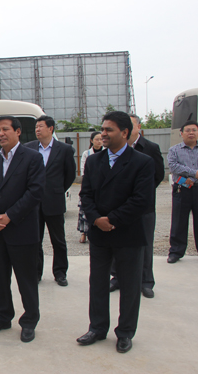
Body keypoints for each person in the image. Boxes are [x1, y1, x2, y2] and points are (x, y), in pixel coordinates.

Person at [77, 111, 154, 353]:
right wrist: (96, 219)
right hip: (100, 234)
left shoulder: (142, 162)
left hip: (128, 233)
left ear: (124, 132)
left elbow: (141, 200)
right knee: (98, 283)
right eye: (102, 129)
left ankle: (125, 333)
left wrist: (111, 220)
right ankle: (97, 328)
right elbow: (86, 195)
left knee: (130, 286)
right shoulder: (94, 161)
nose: (103, 133)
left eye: (109, 129)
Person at [0, 116, 45, 343]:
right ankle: (2, 316)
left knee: (26, 280)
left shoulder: (33, 158)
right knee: (0, 278)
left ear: (18, 131)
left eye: (5, 129)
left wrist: (10, 216)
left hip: (22, 230)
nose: (0, 134)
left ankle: (29, 321)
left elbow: (35, 192)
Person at [110, 114, 164, 298]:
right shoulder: (116, 148)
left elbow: (157, 176)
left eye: (131, 125)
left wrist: (140, 194)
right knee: (117, 241)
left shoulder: (150, 148)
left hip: (143, 207)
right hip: (119, 206)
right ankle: (117, 277)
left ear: (139, 127)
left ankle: (146, 281)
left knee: (145, 243)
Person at [24, 115, 75, 286]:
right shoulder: (29, 148)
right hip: (33, 203)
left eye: (40, 126)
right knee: (34, 240)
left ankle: (60, 273)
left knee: (58, 240)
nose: (37, 130)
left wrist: (57, 190)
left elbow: (70, 175)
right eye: (36, 127)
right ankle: (36, 272)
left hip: (54, 201)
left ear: (51, 129)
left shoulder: (65, 149)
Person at [166, 120, 198, 264]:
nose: (191, 133)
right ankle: (176, 252)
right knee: (179, 221)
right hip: (182, 188)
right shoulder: (174, 150)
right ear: (181, 133)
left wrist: (193, 177)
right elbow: (173, 167)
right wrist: (194, 174)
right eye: (188, 130)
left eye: (194, 130)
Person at [78, 132, 103, 243]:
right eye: (97, 139)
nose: (99, 141)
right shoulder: (87, 153)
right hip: (90, 184)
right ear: (92, 140)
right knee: (85, 209)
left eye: (101, 139)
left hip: (102, 185)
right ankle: (84, 233)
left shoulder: (106, 152)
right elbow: (84, 170)